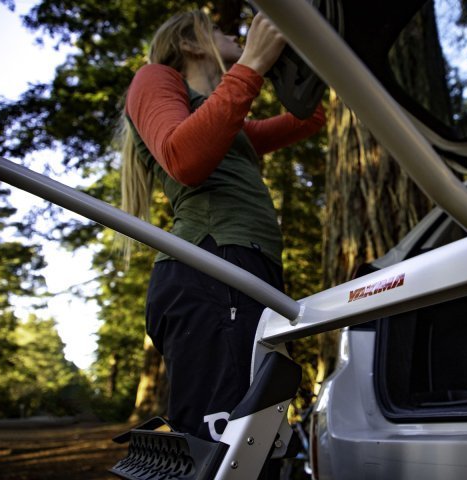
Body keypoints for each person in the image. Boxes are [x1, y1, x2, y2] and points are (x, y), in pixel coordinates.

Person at [118, 9, 325, 446]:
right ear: (189, 44)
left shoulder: (227, 125)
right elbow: (184, 159)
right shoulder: (155, 76)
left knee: (261, 440)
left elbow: (311, 118)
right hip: (211, 267)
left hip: (245, 268)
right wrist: (252, 63)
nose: (228, 31)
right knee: (227, 446)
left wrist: (297, 60)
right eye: (213, 29)